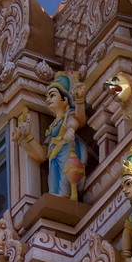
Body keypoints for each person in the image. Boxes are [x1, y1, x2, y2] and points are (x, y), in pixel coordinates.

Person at [12, 72, 87, 201]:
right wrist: (25, 138)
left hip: (67, 153)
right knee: (55, 192)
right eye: (47, 96)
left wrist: (79, 101)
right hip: (54, 159)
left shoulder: (68, 115)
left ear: (64, 99)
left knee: (64, 186)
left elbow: (78, 119)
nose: (48, 99)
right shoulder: (52, 127)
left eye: (52, 95)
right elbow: (42, 154)